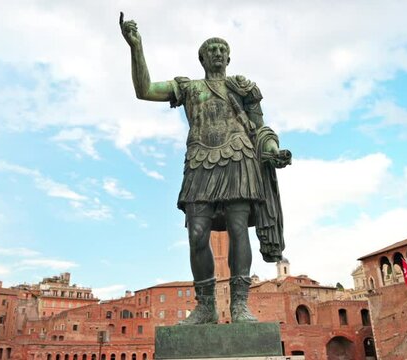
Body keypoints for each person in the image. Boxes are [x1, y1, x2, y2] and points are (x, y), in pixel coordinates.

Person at [120, 14, 290, 324]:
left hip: (239, 158)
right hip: (200, 161)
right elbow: (144, 89)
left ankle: (239, 304)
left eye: (221, 49)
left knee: (239, 230)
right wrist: (136, 47)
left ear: (229, 57)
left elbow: (261, 128)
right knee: (197, 234)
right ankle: (206, 306)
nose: (217, 53)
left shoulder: (242, 87)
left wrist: (272, 151)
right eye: (210, 49)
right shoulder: (188, 87)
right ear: (201, 58)